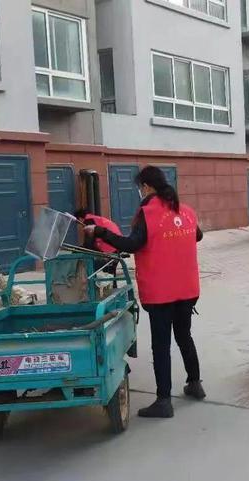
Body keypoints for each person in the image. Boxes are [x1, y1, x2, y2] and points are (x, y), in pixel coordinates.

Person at [85, 166, 204, 418]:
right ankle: (195, 383)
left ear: (147, 187)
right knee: (184, 336)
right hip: (187, 288)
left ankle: (163, 401)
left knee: (161, 345)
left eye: (141, 187)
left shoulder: (147, 214)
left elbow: (132, 244)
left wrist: (101, 232)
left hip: (162, 292)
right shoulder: (186, 210)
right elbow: (198, 236)